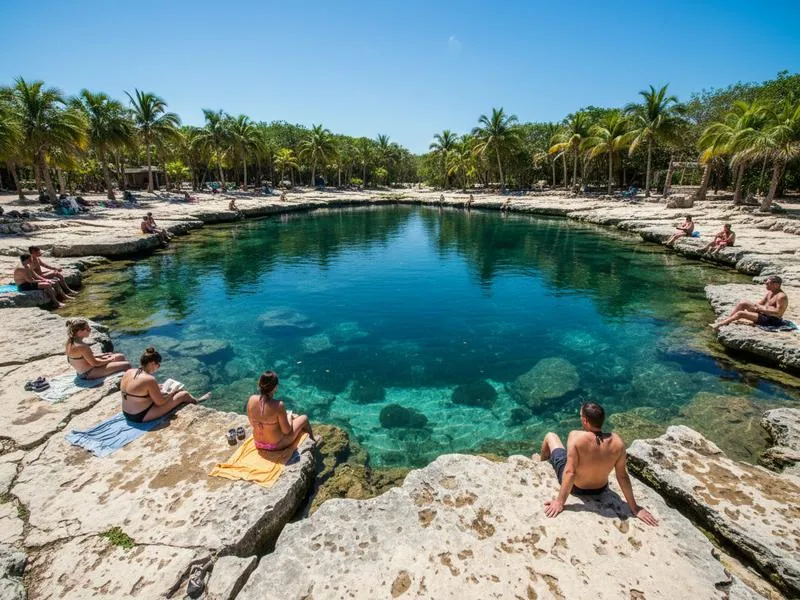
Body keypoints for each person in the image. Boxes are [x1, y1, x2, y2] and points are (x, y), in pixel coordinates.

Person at [540, 402, 658, 526]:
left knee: (550, 436)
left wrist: (559, 502)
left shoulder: (575, 437)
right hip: (600, 489)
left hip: (576, 488)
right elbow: (622, 476)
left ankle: (540, 463)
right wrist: (635, 508)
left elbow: (570, 472)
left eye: (580, 416)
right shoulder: (618, 442)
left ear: (585, 420)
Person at [120, 347, 211, 423]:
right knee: (184, 394)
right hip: (139, 415)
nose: (158, 367)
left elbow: (137, 388)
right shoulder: (149, 379)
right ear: (152, 363)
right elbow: (160, 402)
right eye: (158, 365)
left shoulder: (129, 372)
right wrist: (173, 392)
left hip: (126, 412)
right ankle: (197, 401)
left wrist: (156, 387)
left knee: (166, 391)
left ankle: (193, 399)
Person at [246, 371, 317, 450]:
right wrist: (289, 417)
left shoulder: (251, 399)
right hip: (276, 445)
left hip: (258, 443)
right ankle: (314, 442)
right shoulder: (279, 405)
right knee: (304, 418)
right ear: (275, 387)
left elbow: (252, 423)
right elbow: (286, 431)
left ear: (259, 383)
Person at [711, 275, 788, 330]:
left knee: (741, 313)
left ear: (776, 285)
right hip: (763, 313)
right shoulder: (770, 292)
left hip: (771, 320)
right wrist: (757, 307)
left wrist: (762, 309)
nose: (765, 285)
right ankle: (728, 320)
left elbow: (779, 312)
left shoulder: (781, 296)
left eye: (768, 283)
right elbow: (759, 303)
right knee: (743, 303)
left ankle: (719, 325)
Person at [65, 318, 130, 379]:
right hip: (87, 373)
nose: (90, 330)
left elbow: (81, 357)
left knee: (120, 356)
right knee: (126, 365)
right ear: (79, 332)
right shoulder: (82, 346)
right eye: (87, 329)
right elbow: (95, 363)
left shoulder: (70, 341)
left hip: (85, 369)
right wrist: (110, 360)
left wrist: (101, 355)